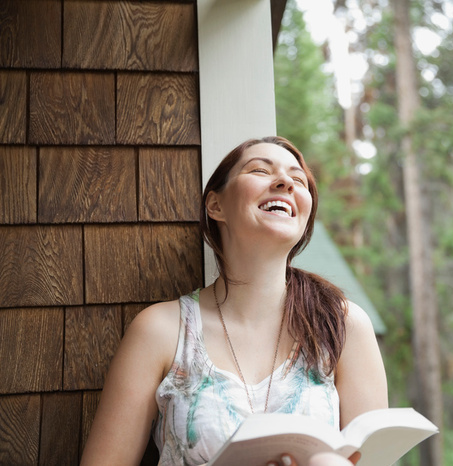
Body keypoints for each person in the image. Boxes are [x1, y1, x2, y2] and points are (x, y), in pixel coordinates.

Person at [81, 136, 388, 465]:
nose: (285, 182)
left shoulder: (342, 325)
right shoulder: (160, 331)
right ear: (215, 206)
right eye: (260, 170)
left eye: (298, 180)